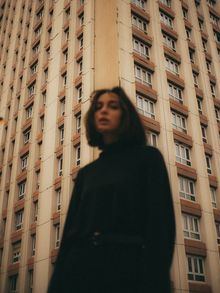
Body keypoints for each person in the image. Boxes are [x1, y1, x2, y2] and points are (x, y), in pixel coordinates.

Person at [48, 86, 175, 293]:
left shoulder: (148, 159)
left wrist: (155, 283)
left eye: (112, 106)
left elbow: (160, 229)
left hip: (128, 274)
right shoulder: (87, 173)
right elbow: (70, 235)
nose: (103, 111)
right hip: (81, 273)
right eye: (98, 107)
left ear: (125, 115)